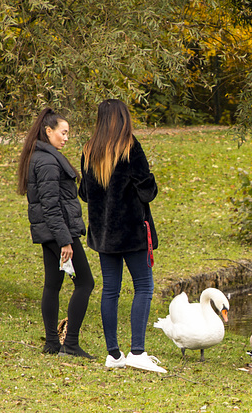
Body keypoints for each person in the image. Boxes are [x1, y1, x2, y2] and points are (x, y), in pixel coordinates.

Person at [79, 99, 165, 373]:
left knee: (111, 290)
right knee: (144, 286)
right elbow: (147, 191)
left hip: (103, 234)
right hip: (131, 231)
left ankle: (113, 354)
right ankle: (137, 351)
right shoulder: (130, 147)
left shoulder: (88, 150)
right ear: (122, 118)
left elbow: (84, 194)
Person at [16, 108, 95, 359]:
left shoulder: (40, 157)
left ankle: (52, 343)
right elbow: (50, 206)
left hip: (49, 233)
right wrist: (65, 241)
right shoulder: (48, 161)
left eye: (68, 133)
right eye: (63, 132)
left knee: (53, 284)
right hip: (58, 234)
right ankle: (70, 343)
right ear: (48, 131)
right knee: (85, 283)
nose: (66, 137)